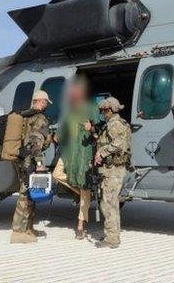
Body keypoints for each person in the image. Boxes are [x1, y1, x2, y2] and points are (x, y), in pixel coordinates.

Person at [52, 76, 100, 240]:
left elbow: (99, 130)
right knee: (56, 174)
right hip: (69, 153)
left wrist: (91, 128)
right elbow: (62, 132)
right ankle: (80, 191)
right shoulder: (70, 112)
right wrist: (57, 136)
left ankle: (80, 225)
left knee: (85, 188)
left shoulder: (92, 109)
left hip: (84, 154)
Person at [10, 90, 52, 244]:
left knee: (31, 193)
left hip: (21, 159)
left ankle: (28, 228)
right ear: (40, 101)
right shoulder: (39, 118)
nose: (47, 105)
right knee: (25, 193)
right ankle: (18, 231)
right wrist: (40, 164)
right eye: (46, 102)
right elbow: (36, 143)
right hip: (30, 161)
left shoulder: (25, 116)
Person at [93, 97, 132, 249]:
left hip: (113, 170)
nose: (103, 114)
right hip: (114, 169)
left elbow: (118, 143)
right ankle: (112, 235)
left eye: (103, 111)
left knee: (108, 204)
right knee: (113, 203)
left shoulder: (114, 124)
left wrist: (101, 153)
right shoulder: (118, 123)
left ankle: (112, 239)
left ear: (109, 110)